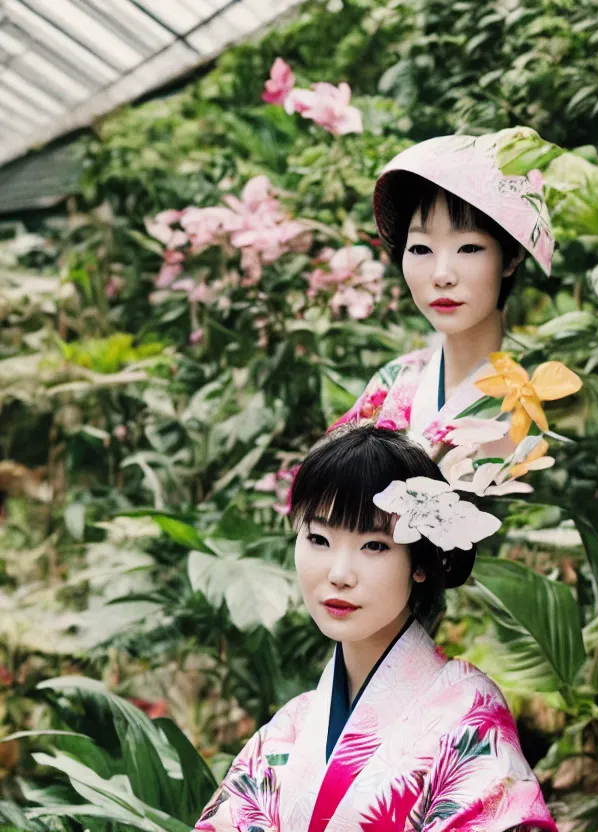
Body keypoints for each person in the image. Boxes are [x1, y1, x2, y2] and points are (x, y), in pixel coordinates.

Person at [194, 425, 558, 832]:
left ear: (421, 562)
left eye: (375, 546)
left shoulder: (468, 715)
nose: (339, 573)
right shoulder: (290, 728)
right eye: (318, 538)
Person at [331, 130, 555, 460]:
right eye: (421, 248)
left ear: (511, 257)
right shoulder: (393, 383)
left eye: (469, 248)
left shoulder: (549, 388)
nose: (442, 275)